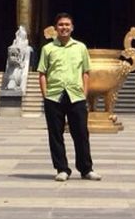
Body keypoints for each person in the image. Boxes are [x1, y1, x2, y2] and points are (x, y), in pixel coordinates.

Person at [37, 12, 101, 182]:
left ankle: (86, 168)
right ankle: (62, 168)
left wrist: (84, 93)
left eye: (67, 24)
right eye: (61, 25)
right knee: (55, 134)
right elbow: (42, 73)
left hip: (76, 95)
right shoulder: (47, 49)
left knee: (81, 133)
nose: (64, 27)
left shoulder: (80, 47)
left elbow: (86, 72)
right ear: (55, 28)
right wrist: (45, 95)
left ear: (72, 27)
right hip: (54, 96)